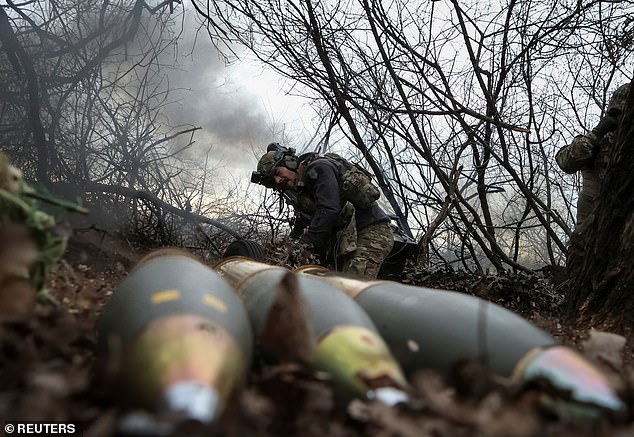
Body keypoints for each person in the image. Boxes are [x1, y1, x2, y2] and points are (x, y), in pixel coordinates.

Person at [255, 144, 394, 278]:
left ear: (289, 162)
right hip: (349, 239)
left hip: (371, 232)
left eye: (277, 173)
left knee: (352, 288)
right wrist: (290, 245)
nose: (278, 180)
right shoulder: (304, 188)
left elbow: (328, 209)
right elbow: (304, 220)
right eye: (273, 181)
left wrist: (304, 245)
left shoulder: (319, 168)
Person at [556, 83, 630, 272]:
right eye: (615, 113)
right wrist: (597, 133)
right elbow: (565, 162)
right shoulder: (599, 141)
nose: (620, 118)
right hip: (588, 234)